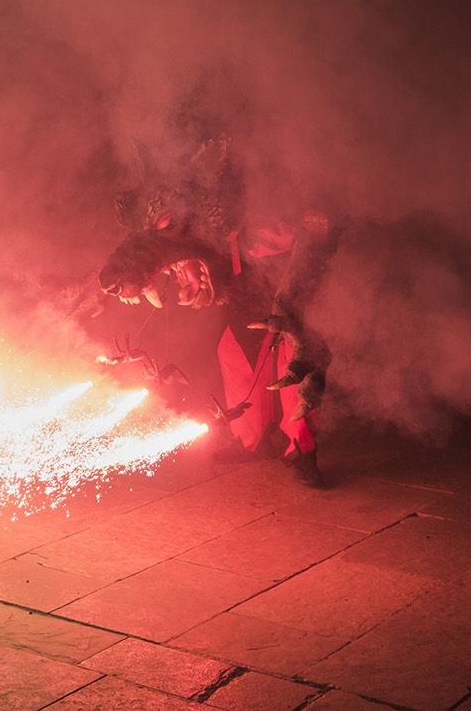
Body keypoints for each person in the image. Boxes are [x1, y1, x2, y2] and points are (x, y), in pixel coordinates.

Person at [96, 137, 337, 486]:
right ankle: (250, 440)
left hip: (283, 292)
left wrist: (309, 224)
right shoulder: (219, 224)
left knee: (292, 360)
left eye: (164, 224)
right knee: (237, 356)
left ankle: (301, 450)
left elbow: (315, 225)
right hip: (242, 290)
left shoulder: (265, 209)